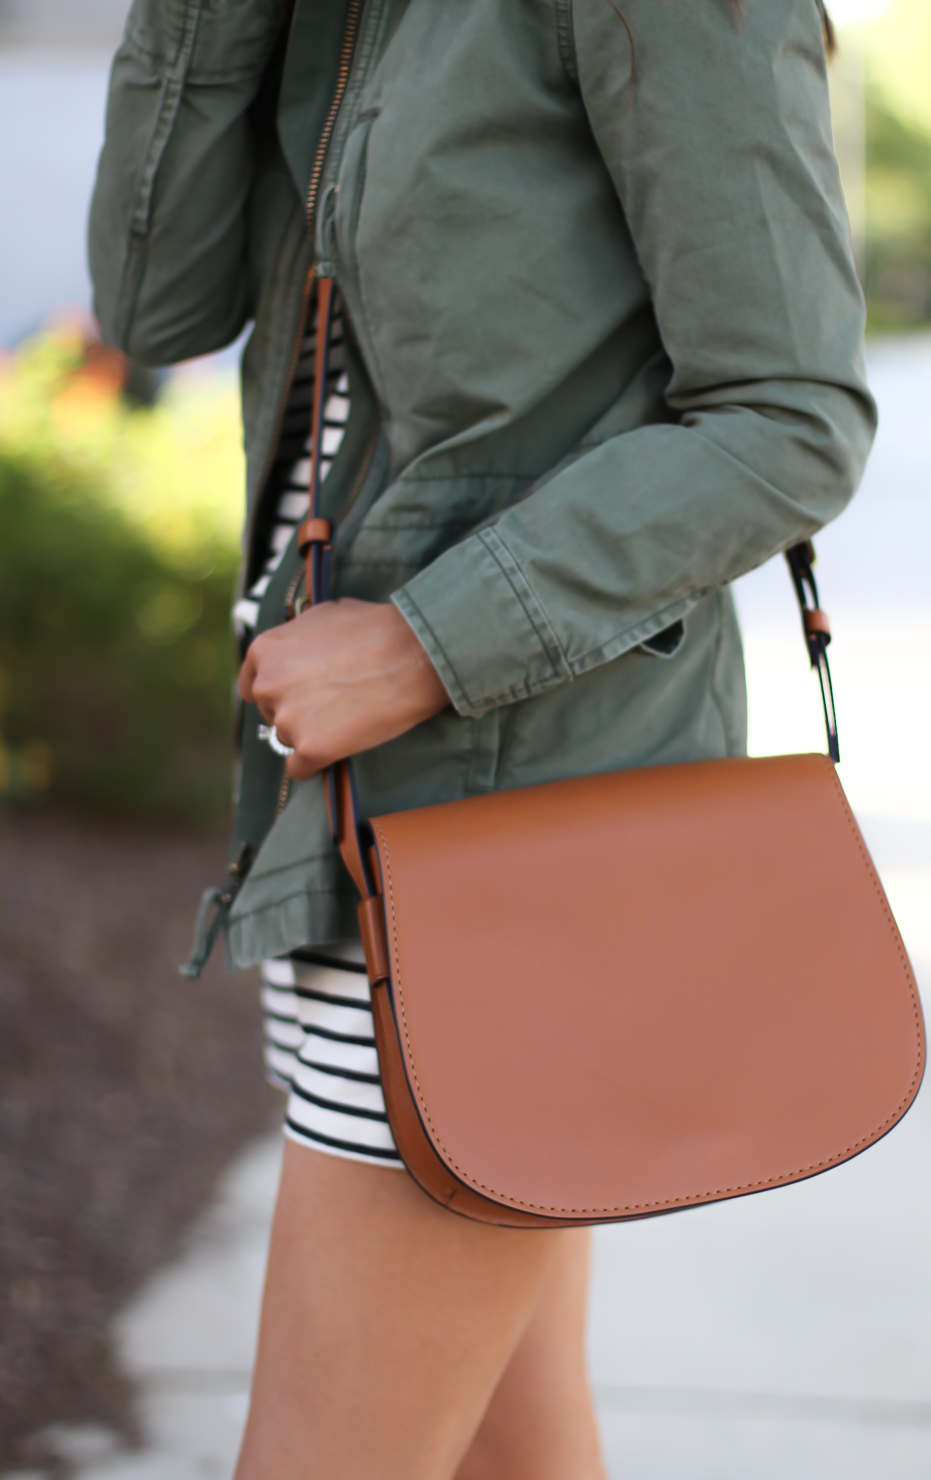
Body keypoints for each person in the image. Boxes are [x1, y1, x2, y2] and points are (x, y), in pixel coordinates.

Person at [89, 0, 873, 1473]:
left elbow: (791, 414)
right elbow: (156, 307)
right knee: (518, 1451)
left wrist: (423, 644)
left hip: (520, 828)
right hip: (355, 819)